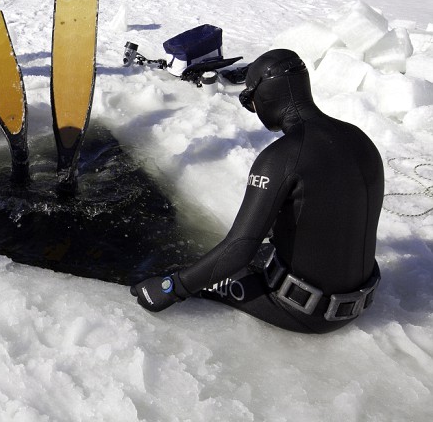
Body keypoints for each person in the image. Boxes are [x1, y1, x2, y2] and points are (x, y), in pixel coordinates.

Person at [131, 49, 384, 334]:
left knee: (195, 271)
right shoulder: (359, 139)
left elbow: (238, 249)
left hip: (306, 312)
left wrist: (170, 288)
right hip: (362, 296)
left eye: (249, 100)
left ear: (265, 95)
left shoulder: (282, 157)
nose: (253, 109)